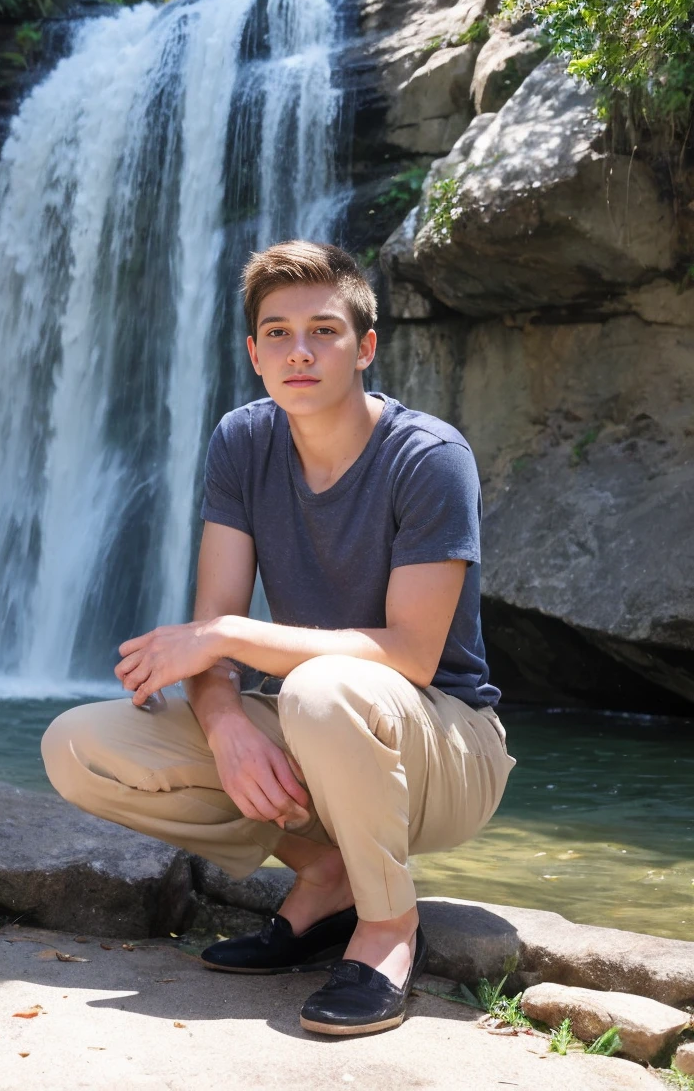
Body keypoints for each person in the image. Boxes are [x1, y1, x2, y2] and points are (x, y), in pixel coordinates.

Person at [41, 240, 515, 1037]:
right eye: (277, 332)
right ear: (253, 352)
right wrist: (225, 725)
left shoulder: (430, 458)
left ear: (365, 347)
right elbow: (208, 643)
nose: (300, 351)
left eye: (324, 331)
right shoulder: (242, 441)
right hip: (314, 724)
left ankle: (388, 927)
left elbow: (410, 655)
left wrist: (225, 635)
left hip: (446, 744)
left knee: (320, 687)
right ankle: (327, 874)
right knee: (78, 744)